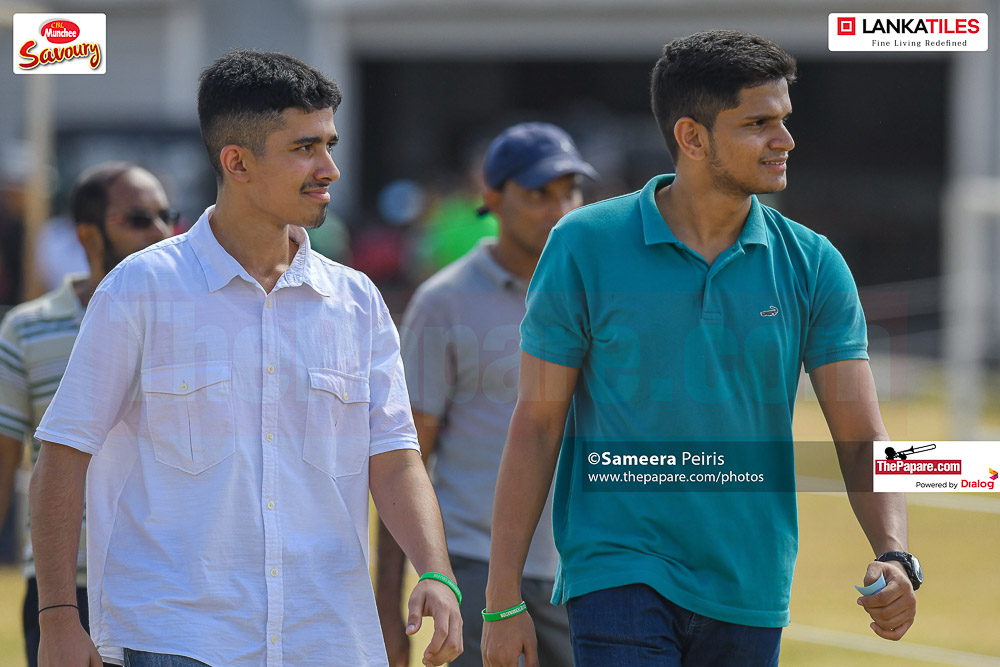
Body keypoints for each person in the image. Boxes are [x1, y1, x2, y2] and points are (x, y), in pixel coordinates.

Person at [481, 30, 920, 667]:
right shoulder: (583, 244)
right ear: (692, 137)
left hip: (751, 585)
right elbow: (538, 422)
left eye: (784, 119)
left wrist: (894, 552)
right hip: (618, 572)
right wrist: (502, 600)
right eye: (758, 123)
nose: (785, 140)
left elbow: (861, 436)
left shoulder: (814, 263)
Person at [29, 50, 461, 667]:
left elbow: (394, 457)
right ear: (237, 162)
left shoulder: (356, 300)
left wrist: (435, 571)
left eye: (329, 144)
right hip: (175, 638)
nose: (330, 168)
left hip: (326, 637)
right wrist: (57, 619)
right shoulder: (140, 288)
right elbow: (63, 454)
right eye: (305, 147)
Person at [376, 122, 596, 667]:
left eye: (570, 191)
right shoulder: (443, 302)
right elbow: (404, 459)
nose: (559, 209)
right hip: (478, 569)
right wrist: (386, 606)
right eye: (538, 194)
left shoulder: (601, 294)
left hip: (587, 569)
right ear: (492, 199)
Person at [0, 161, 173, 667]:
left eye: (167, 216)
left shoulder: (189, 320)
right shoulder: (27, 329)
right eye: (139, 219)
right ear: (88, 234)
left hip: (170, 583)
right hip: (63, 588)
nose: (161, 232)